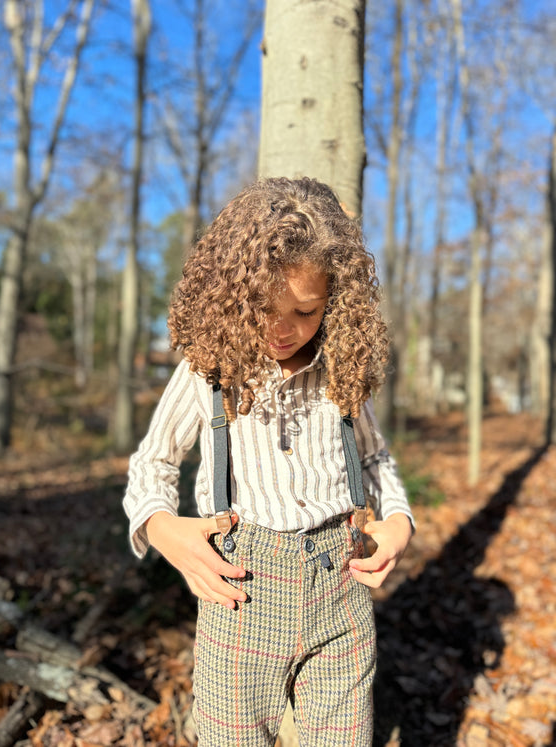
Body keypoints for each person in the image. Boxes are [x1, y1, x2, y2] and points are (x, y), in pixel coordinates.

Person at [123, 176, 414, 746]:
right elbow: (152, 463)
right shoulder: (209, 371)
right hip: (242, 594)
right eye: (266, 308)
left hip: (342, 597)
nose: (284, 330)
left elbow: (376, 461)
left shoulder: (341, 372)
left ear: (335, 302)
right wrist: (162, 529)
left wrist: (399, 522)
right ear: (234, 294)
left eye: (306, 312)